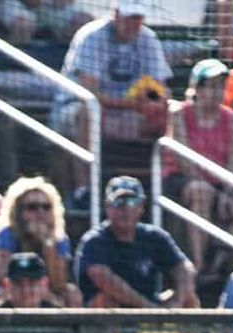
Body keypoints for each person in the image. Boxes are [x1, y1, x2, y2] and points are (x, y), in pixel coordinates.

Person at [51, 1, 172, 200]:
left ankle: (164, 187)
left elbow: (159, 87)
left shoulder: (148, 39)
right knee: (89, 111)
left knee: (172, 111)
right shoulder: (92, 36)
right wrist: (132, 105)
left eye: (138, 18)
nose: (133, 23)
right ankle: (85, 191)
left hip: (129, 113)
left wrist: (156, 102)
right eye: (129, 17)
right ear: (115, 14)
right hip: (75, 109)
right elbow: (90, 92)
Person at [164, 59, 233, 277]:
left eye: (220, 86)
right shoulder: (179, 114)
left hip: (220, 180)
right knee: (202, 192)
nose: (216, 91)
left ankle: (224, 247)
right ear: (197, 88)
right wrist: (214, 192)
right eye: (210, 85)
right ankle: (199, 267)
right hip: (182, 178)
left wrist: (227, 192)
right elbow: (185, 161)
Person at [75, 175, 197, 310]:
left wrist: (177, 301)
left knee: (189, 299)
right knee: (104, 301)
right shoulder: (95, 241)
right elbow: (103, 279)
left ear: (141, 206)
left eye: (132, 202)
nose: (125, 209)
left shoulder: (154, 236)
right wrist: (147, 308)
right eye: (118, 203)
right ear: (107, 207)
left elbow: (185, 268)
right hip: (116, 313)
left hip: (149, 308)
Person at [0, 176, 78, 309]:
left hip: (38, 289)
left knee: (72, 294)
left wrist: (47, 244)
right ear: (18, 211)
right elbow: (2, 276)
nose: (40, 212)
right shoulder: (6, 234)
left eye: (46, 207)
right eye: (32, 207)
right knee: (13, 292)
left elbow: (58, 283)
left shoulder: (59, 239)